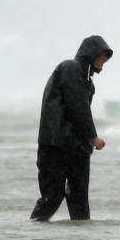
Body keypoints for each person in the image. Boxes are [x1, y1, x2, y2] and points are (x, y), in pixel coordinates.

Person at [30, 35, 113, 221]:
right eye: (103, 57)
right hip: (55, 146)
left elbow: (79, 111)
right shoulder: (70, 69)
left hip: (77, 148)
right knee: (52, 197)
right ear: (92, 54)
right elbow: (78, 107)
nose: (104, 62)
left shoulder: (87, 81)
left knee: (79, 199)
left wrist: (86, 142)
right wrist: (93, 137)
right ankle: (33, 238)